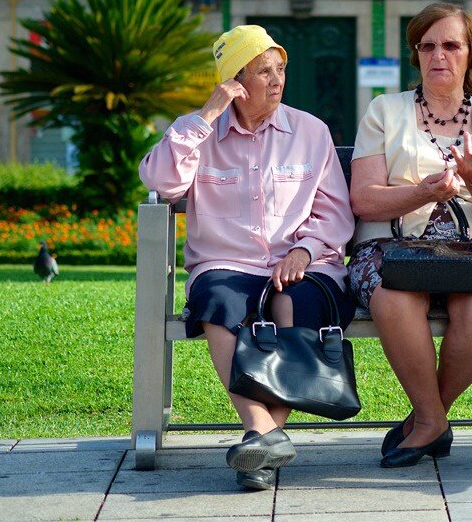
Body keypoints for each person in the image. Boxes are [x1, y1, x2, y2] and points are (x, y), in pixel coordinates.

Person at [139, 25, 356, 491]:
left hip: (303, 262)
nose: (277, 80)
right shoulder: (196, 131)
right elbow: (160, 183)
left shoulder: (310, 131)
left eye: (281, 69)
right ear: (234, 82)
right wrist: (205, 117)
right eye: (263, 71)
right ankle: (265, 432)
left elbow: (335, 212)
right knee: (217, 301)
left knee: (296, 303)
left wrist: (305, 248)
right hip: (227, 264)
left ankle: (257, 442)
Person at [348, 2, 472, 469]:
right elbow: (363, 199)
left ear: (471, 56)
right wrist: (420, 193)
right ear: (417, 55)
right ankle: (432, 420)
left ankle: (427, 420)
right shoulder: (384, 110)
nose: (438, 55)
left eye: (451, 45)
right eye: (427, 46)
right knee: (394, 295)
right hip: (390, 246)